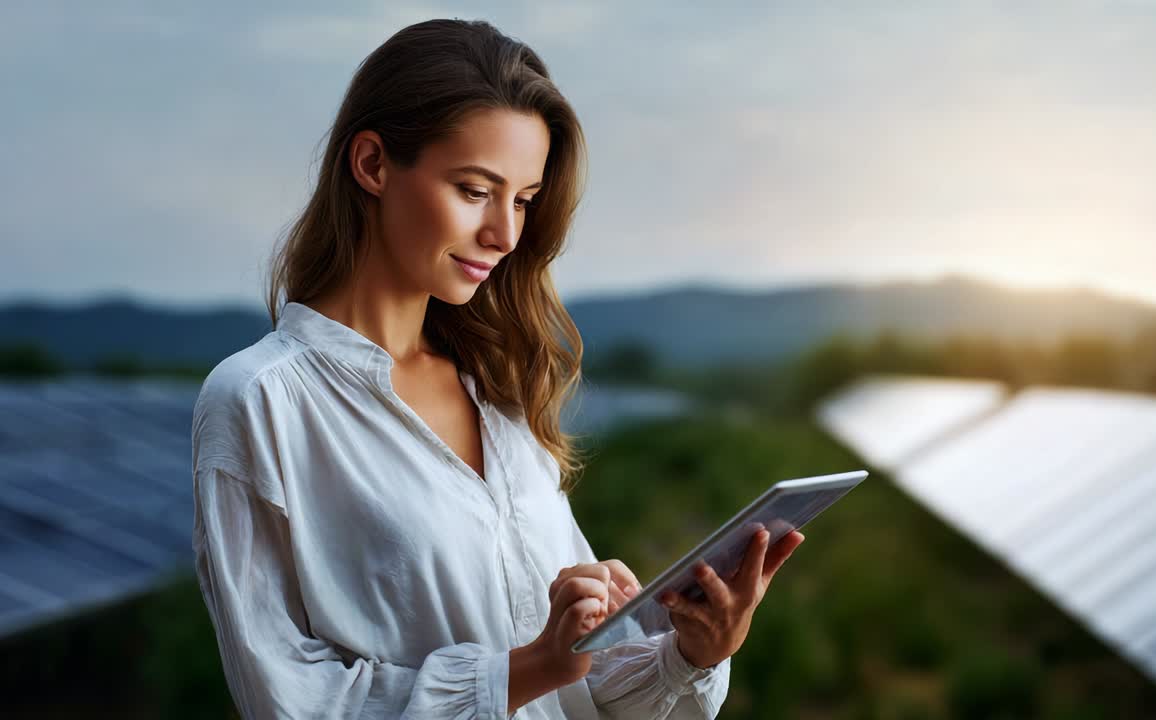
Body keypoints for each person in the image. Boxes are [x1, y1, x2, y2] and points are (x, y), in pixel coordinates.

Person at [190, 18, 805, 719]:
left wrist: (690, 652)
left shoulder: (499, 393)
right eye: (475, 189)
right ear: (373, 164)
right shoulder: (259, 401)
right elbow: (288, 700)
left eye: (522, 200)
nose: (506, 234)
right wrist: (533, 665)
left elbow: (580, 691)